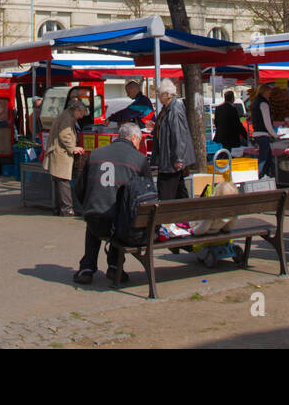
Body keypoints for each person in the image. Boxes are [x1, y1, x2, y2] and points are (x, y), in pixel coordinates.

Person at [73, 122, 150, 285]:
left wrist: (87, 205)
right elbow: (147, 194)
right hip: (121, 224)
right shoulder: (140, 159)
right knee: (121, 215)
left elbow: (80, 188)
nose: (140, 145)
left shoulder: (95, 154)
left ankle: (87, 267)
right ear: (134, 138)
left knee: (97, 215)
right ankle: (115, 266)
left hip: (94, 217)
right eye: (140, 141)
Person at [43, 96, 87, 216]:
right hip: (61, 153)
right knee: (63, 181)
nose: (82, 116)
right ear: (76, 110)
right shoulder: (67, 118)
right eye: (82, 113)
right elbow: (64, 135)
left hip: (58, 152)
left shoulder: (66, 115)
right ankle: (67, 209)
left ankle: (59, 208)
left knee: (60, 181)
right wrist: (73, 148)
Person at [153, 79, 194, 200]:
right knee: (179, 191)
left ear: (164, 95)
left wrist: (178, 158)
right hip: (169, 159)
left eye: (159, 94)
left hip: (170, 161)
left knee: (167, 192)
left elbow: (179, 136)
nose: (158, 98)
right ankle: (185, 216)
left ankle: (172, 217)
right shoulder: (167, 109)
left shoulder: (174, 110)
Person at [247, 82, 277, 180]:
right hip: (263, 134)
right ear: (264, 92)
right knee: (263, 159)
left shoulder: (255, 102)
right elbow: (267, 122)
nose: (270, 94)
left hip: (257, 134)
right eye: (269, 91)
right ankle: (259, 177)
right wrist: (275, 135)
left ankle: (267, 177)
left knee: (267, 158)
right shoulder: (263, 103)